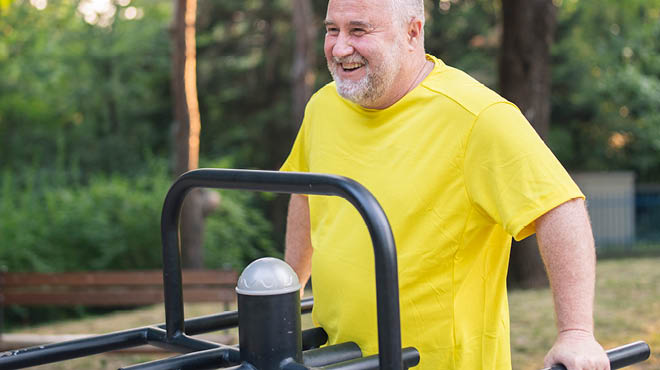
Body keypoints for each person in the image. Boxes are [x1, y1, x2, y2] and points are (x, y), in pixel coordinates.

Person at [280, 0, 610, 369]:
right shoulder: (323, 106)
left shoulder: (477, 116)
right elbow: (305, 191)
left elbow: (560, 208)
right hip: (339, 358)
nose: (340, 48)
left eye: (358, 30)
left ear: (412, 32)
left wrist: (576, 333)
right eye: (331, 30)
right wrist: (287, 293)